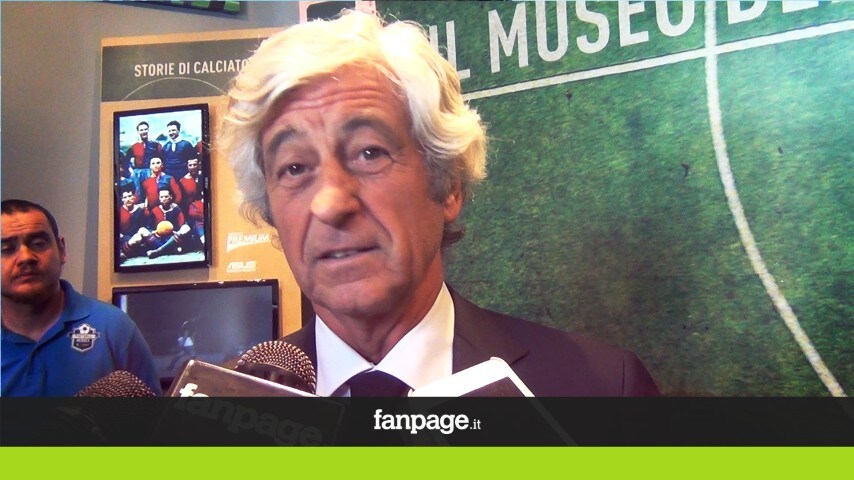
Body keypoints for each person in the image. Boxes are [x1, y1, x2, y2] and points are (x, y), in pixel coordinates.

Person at [220, 11, 659, 397]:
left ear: (448, 184)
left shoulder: (603, 390)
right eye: (295, 168)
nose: (331, 203)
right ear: (270, 211)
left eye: (369, 153)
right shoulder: (217, 414)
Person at [1, 199, 161, 396]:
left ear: (61, 249)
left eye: (38, 244)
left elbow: (152, 414)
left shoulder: (114, 329)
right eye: (6, 249)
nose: (26, 257)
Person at [124, 120, 162, 195]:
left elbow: (162, 158)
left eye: (145, 129)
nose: (144, 131)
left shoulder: (155, 144)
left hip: (151, 172)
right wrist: (131, 171)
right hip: (137, 173)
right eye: (141, 130)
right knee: (138, 193)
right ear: (138, 132)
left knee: (151, 193)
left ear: (148, 130)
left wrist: (158, 172)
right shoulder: (134, 146)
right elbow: (126, 160)